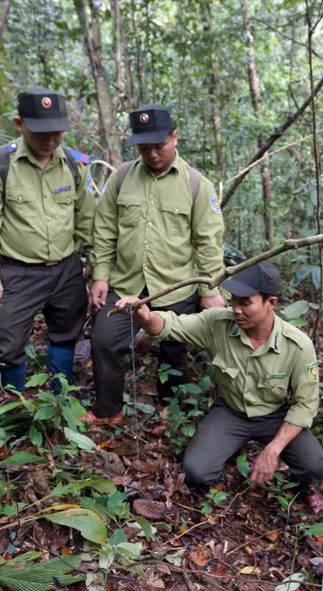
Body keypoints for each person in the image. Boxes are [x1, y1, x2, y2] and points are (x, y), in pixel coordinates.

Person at [115, 262, 323, 515]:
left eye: (246, 302)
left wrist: (273, 450)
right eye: (233, 301)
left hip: (275, 415)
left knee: (314, 466)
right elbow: (170, 326)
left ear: (271, 303)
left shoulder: (298, 345)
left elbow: (306, 404)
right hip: (230, 411)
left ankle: (305, 487)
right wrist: (146, 316)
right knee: (196, 472)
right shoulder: (218, 323)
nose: (236, 310)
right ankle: (229, 449)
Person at [88, 104, 225, 425]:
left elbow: (209, 241)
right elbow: (104, 230)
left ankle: (170, 407)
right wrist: (100, 276)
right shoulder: (121, 178)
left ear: (174, 138)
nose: (151, 154)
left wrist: (209, 290)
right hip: (126, 283)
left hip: (175, 284)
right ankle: (109, 410)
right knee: (104, 341)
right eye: (143, 147)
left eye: (158, 145)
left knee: (174, 348)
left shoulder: (196, 184)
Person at [0, 88, 96, 409]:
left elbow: (89, 221)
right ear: (19, 123)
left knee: (66, 333)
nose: (51, 140)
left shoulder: (75, 164)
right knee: (8, 339)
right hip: (17, 270)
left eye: (57, 132)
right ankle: (11, 399)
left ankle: (61, 397)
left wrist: (97, 268)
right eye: (41, 132)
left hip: (67, 268)